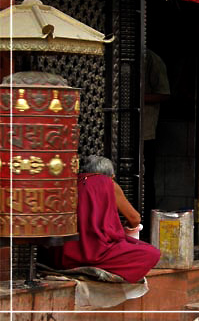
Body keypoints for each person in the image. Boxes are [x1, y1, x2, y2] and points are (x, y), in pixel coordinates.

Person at [47, 155, 161, 283]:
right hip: (97, 253)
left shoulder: (69, 183)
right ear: (110, 176)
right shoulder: (108, 183)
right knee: (151, 253)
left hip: (62, 256)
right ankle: (97, 268)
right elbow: (134, 219)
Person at [143, 49, 170, 242]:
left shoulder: (152, 59)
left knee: (146, 180)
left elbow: (163, 93)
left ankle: (146, 228)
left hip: (146, 130)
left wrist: (138, 98)